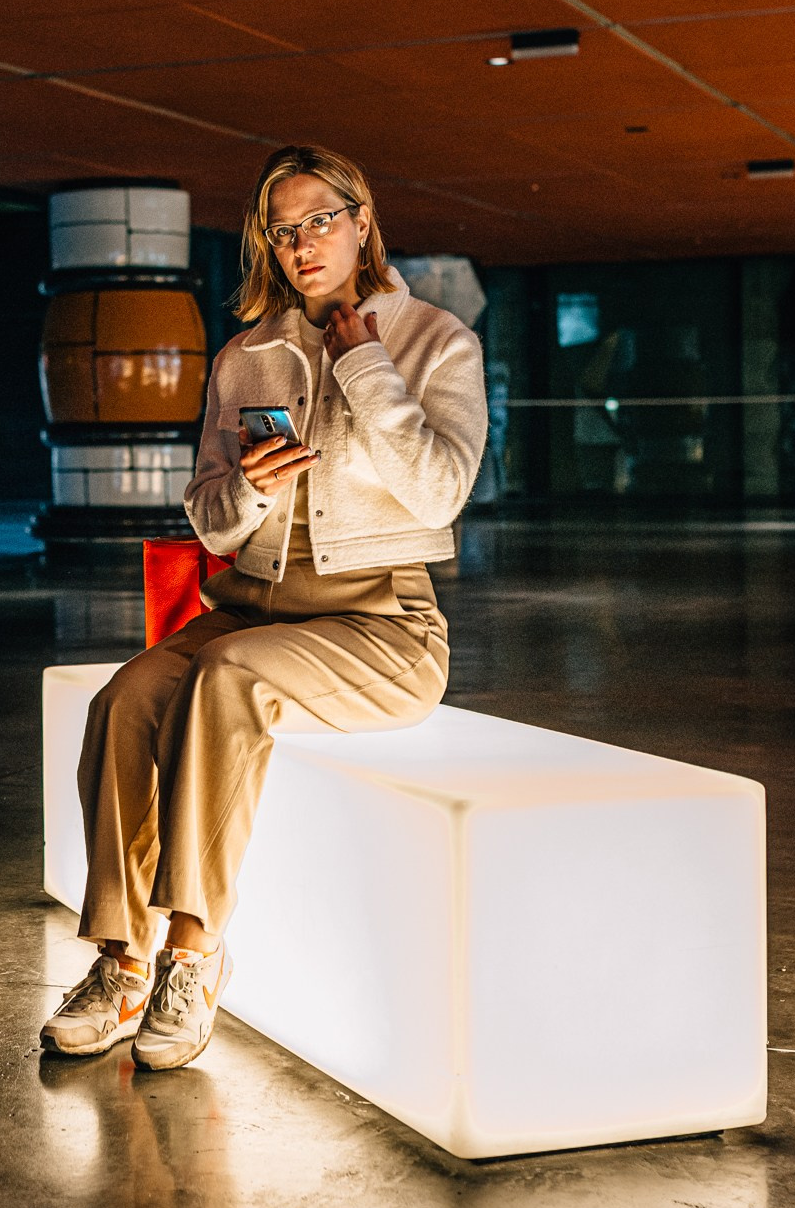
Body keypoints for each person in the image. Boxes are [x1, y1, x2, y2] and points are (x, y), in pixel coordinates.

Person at [41, 144, 487, 1069]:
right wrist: (246, 490)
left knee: (228, 681)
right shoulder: (248, 356)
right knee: (123, 698)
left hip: (384, 624)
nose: (302, 243)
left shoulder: (438, 341)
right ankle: (121, 962)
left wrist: (364, 361)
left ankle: (195, 955)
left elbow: (440, 492)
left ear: (362, 221)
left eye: (321, 219)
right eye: (282, 231)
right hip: (250, 606)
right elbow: (207, 522)